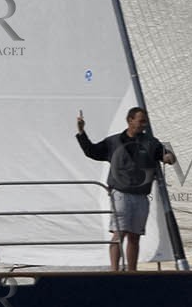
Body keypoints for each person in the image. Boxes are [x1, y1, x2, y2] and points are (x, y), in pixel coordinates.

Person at [75, 107, 175, 273]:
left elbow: (165, 155)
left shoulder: (151, 142)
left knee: (135, 235)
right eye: (141, 121)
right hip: (120, 193)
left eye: (145, 121)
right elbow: (91, 151)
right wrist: (81, 132)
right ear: (130, 120)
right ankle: (114, 271)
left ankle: (132, 271)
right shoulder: (113, 142)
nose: (144, 124)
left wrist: (169, 157)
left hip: (142, 195)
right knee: (120, 233)